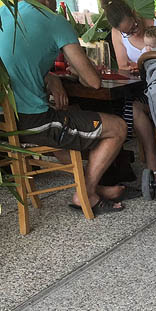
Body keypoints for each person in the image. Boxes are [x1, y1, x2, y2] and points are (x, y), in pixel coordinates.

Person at [0, 0, 127, 213]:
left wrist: (50, 76)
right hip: (32, 122)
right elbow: (93, 81)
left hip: (5, 124)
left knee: (66, 118)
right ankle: (86, 193)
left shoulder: (5, 13)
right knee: (117, 127)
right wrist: (78, 71)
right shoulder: (55, 21)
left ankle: (93, 186)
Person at [102, 0, 156, 176]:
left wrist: (141, 64)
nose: (134, 32)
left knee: (130, 107)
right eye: (127, 32)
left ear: (134, 13)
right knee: (129, 107)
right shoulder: (117, 34)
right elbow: (123, 66)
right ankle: (147, 158)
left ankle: (146, 159)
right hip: (140, 89)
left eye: (134, 26)